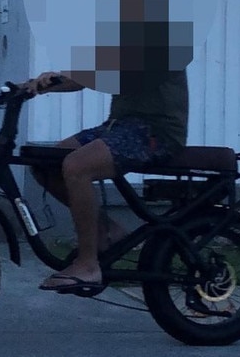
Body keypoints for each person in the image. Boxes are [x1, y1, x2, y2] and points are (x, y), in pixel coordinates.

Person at [24, 69, 189, 294]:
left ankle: (88, 265)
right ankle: (107, 232)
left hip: (155, 133)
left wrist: (70, 76)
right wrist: (37, 85)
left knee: (76, 165)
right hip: (118, 127)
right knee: (45, 164)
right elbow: (85, 78)